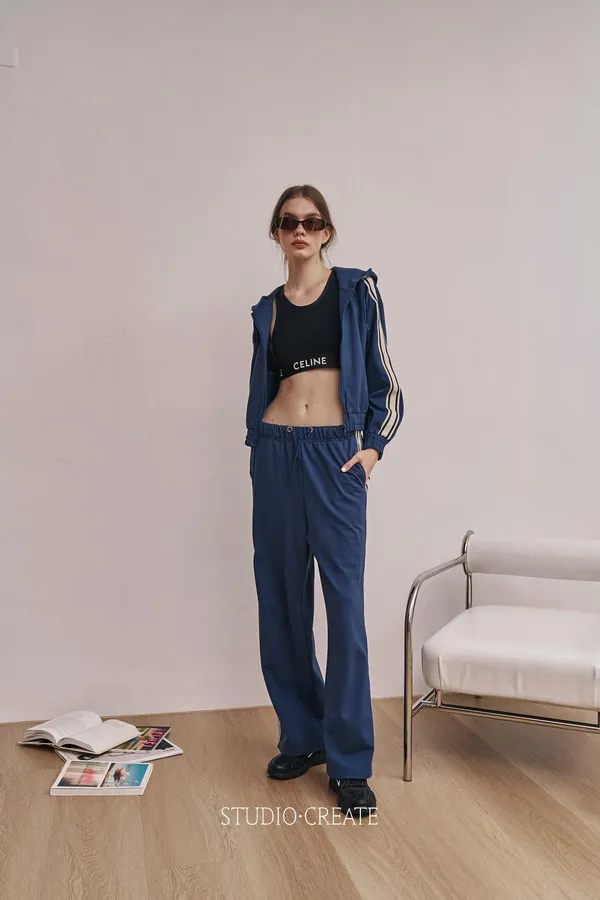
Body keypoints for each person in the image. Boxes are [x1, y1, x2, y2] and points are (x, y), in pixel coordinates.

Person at [245, 184, 403, 818]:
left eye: (311, 222)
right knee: (281, 603)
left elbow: (387, 382)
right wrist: (259, 448)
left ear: (327, 231)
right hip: (276, 454)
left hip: (337, 456)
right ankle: (302, 736)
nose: (300, 231)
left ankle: (350, 761)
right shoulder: (266, 310)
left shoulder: (356, 291)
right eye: (289, 222)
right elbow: (264, 386)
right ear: (277, 233)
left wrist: (374, 447)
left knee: (345, 609)